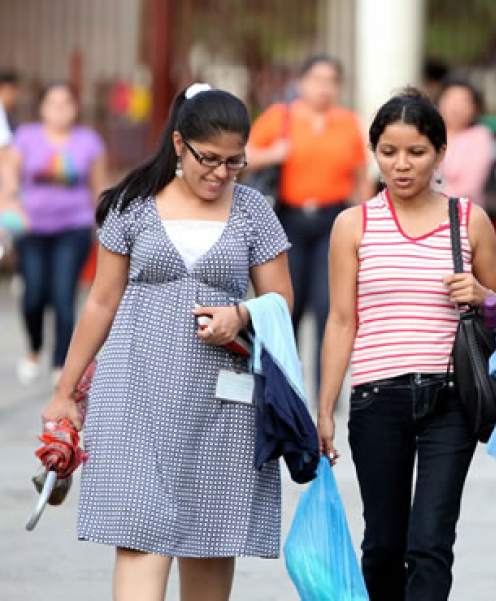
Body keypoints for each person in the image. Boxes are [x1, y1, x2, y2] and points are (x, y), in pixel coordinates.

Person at [40, 83, 293, 601]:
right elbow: (100, 303)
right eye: (209, 159)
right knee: (138, 540)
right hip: (134, 393)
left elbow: (282, 300)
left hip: (223, 408)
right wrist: (66, 391)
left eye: (234, 162)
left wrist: (240, 313)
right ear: (179, 143)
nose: (221, 173)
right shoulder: (133, 203)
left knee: (208, 545)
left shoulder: (252, 211)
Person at [317, 88, 496, 601]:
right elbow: (340, 320)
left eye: (417, 152)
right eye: (389, 152)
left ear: (441, 153)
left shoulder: (468, 221)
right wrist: (324, 408)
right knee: (383, 544)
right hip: (377, 399)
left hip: (451, 399)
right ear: (375, 152)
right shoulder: (352, 225)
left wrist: (485, 295)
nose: (402, 166)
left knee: (430, 544)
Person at [247, 54, 371, 391]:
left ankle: (325, 394)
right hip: (288, 220)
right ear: (301, 82)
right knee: (289, 305)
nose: (323, 88)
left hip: (334, 222)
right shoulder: (280, 117)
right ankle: (284, 387)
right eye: (317, 79)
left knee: (328, 305)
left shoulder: (347, 123)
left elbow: (361, 178)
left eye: (331, 81)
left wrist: (366, 224)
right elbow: (243, 157)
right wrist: (275, 153)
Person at [0, 82, 108, 385]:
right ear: (43, 108)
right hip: (31, 228)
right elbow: (9, 177)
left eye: (66, 103)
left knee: (63, 295)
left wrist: (105, 224)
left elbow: (98, 187)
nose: (60, 110)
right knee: (33, 295)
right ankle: (34, 349)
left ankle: (62, 362)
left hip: (73, 228)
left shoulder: (89, 142)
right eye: (53, 103)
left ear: (75, 108)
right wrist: (9, 205)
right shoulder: (26, 137)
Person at [437, 78, 495, 207]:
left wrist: (427, 199)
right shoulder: (427, 134)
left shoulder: (480, 136)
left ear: (475, 108)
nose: (456, 106)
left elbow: (469, 187)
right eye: (450, 99)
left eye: (463, 101)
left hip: (462, 214)